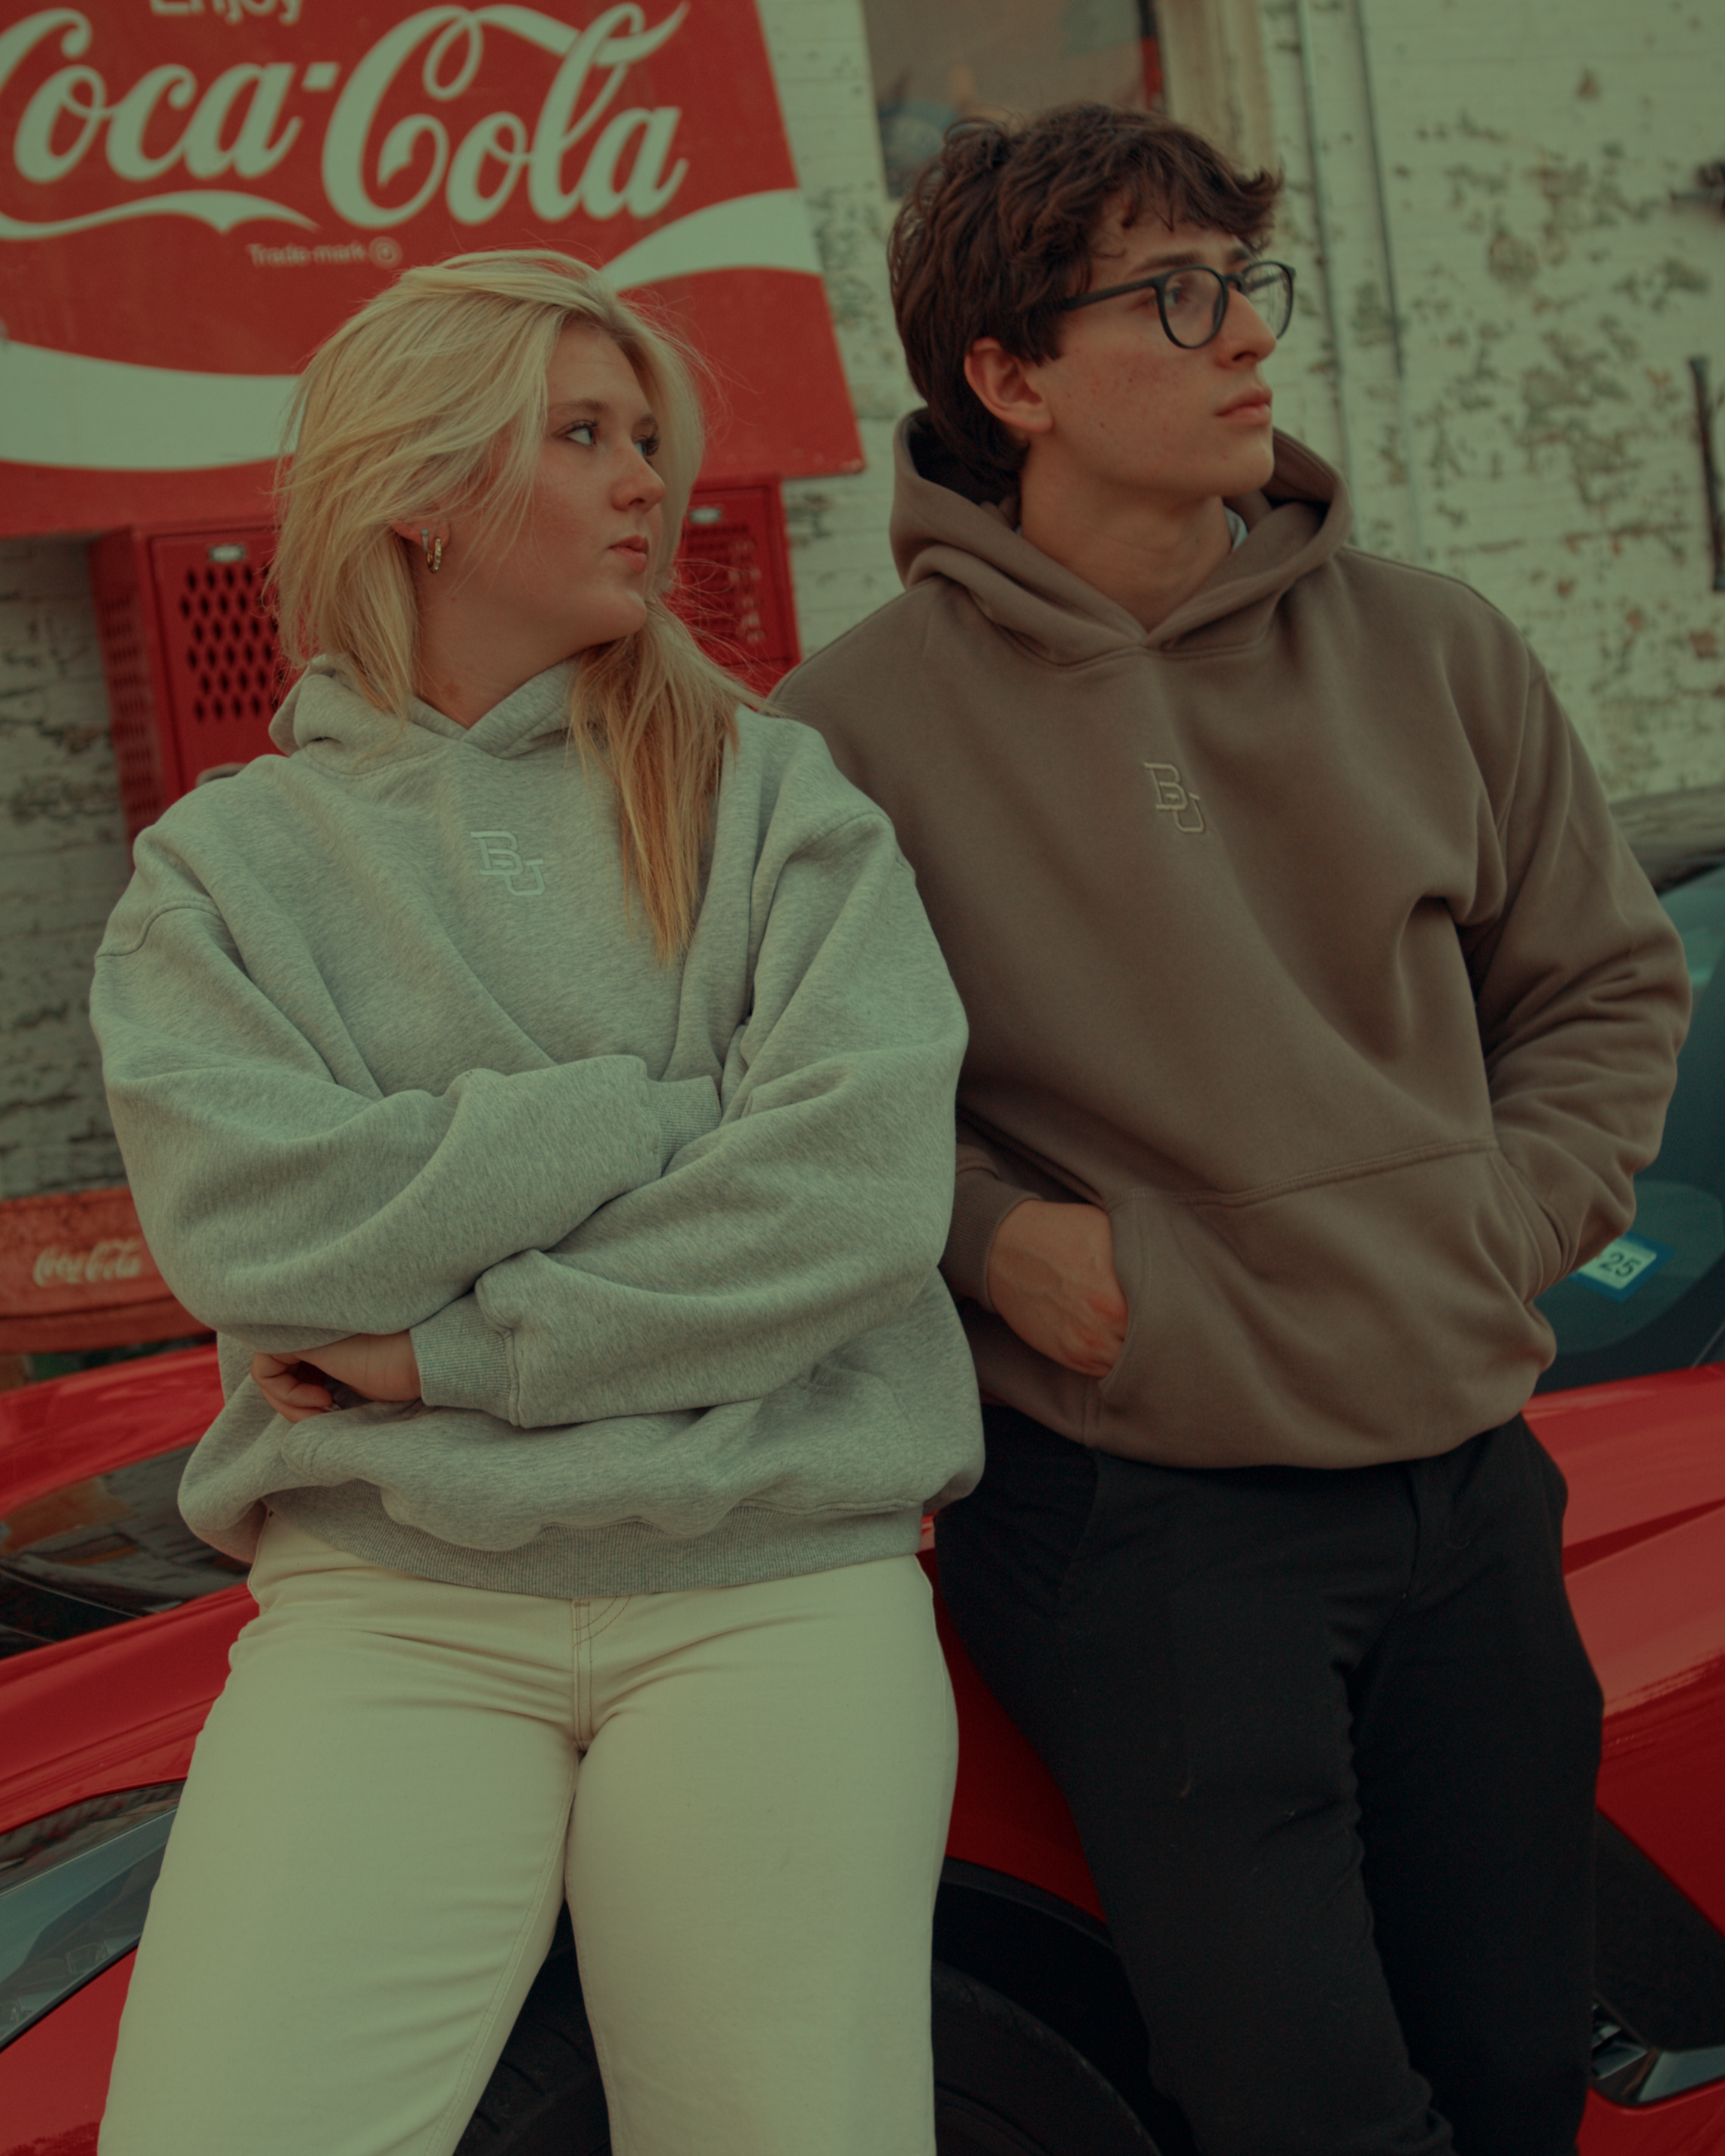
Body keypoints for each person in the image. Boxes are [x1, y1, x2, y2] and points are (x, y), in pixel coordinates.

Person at [774, 104, 1691, 2156]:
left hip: (1460, 1479)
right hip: (1142, 1525)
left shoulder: (1431, 643)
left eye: (1240, 282)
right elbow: (784, 1104)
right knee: (1299, 2112)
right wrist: (993, 1235)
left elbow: (1603, 985)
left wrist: (1491, 1217)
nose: (1239, 337)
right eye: (1166, 296)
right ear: (1006, 379)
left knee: (1522, 2072)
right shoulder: (838, 737)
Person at [90, 249, 981, 2156]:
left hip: (771, 1596)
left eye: (646, 435)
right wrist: (638, 1114)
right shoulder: (226, 871)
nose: (643, 481)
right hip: (389, 1612)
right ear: (417, 485)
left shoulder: (770, 800)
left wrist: (440, 1351)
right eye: (581, 435)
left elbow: (850, 1200)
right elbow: (255, 1238)